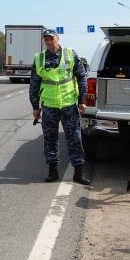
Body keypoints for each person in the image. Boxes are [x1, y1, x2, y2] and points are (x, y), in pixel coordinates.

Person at [29, 29, 90, 185]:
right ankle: (52, 171)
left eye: (51, 39)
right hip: (49, 106)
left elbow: (82, 76)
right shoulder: (39, 58)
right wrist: (35, 107)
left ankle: (79, 173)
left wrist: (82, 100)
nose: (49, 42)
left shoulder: (70, 54)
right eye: (46, 39)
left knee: (75, 138)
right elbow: (34, 84)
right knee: (50, 139)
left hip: (69, 104)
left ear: (58, 38)